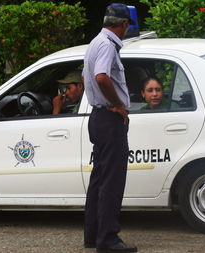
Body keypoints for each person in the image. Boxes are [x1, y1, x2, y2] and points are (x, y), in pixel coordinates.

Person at [82, 3, 137, 253]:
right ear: (123, 24)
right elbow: (101, 76)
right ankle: (108, 240)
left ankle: (93, 236)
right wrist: (117, 105)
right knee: (111, 183)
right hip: (109, 118)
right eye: (127, 26)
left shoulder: (95, 42)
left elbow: (86, 77)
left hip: (98, 117)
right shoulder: (107, 45)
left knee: (99, 180)